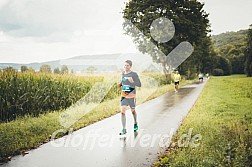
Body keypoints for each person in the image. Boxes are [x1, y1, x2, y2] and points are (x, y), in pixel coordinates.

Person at [117, 60, 141, 135]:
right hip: (124, 96)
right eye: (124, 65)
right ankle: (124, 129)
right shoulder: (123, 73)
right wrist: (120, 84)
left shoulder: (134, 74)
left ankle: (135, 123)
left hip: (131, 96)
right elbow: (123, 81)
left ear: (130, 66)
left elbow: (139, 84)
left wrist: (132, 82)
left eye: (127, 65)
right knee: (122, 112)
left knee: (133, 111)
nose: (125, 67)